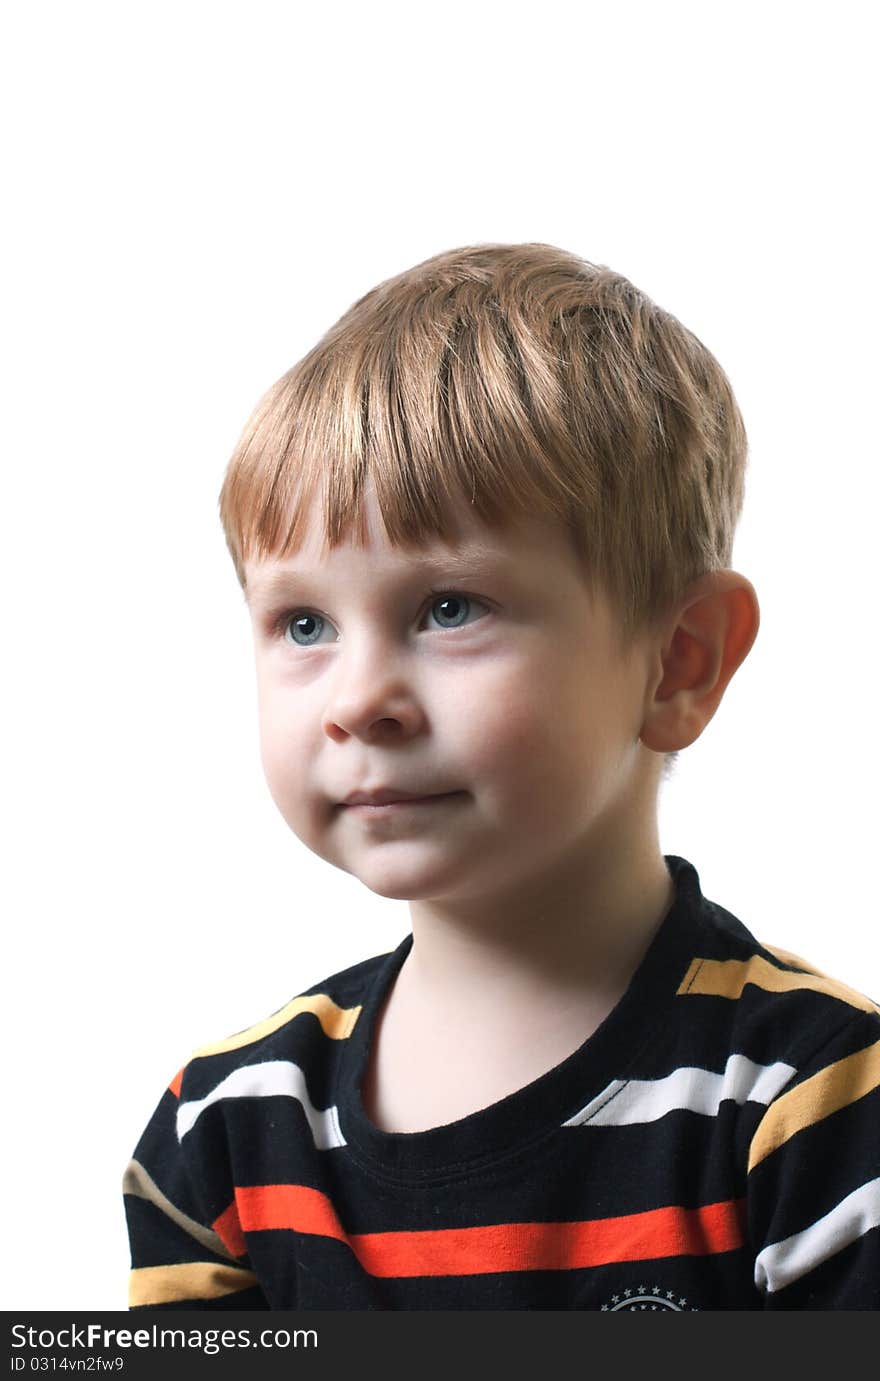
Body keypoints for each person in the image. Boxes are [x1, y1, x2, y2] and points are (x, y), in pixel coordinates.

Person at [124, 243, 879, 1311]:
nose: (355, 699)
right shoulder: (224, 1132)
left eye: (447, 608)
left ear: (679, 661)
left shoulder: (817, 1105)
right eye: (303, 623)